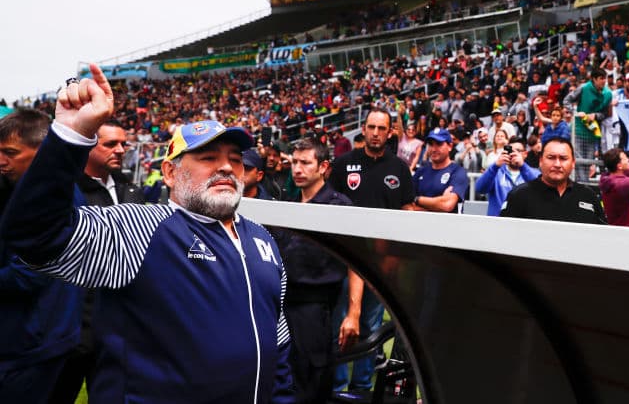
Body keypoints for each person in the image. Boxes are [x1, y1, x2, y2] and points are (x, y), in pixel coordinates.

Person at [0, 67, 295, 403]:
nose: (226, 167)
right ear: (169, 172)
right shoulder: (141, 227)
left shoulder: (262, 241)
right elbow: (35, 234)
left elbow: (277, 340)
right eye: (208, 157)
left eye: (235, 159)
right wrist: (70, 135)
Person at [50, 119, 147, 404]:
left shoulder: (132, 191)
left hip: (120, 328)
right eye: (110, 144)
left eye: (123, 144)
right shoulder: (68, 192)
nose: (119, 150)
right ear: (89, 146)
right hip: (72, 326)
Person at [327, 108, 414, 399]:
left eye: (382, 128)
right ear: (363, 130)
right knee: (341, 322)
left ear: (390, 133)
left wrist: (396, 257)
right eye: (371, 127)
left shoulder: (400, 169)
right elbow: (327, 208)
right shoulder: (342, 165)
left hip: (379, 262)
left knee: (371, 325)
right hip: (343, 259)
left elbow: (407, 213)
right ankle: (338, 388)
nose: (376, 133)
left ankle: (362, 388)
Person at [1, 109, 82, 403]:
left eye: (10, 152)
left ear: (43, 152)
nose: (1, 161)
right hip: (35, 336)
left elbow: (30, 272)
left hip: (32, 342)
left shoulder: (54, 198)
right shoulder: (26, 190)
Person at [275, 138, 358, 404]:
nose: (297, 169)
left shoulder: (339, 207)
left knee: (312, 383)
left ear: (323, 167)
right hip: (280, 307)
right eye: (294, 163)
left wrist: (353, 313)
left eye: (305, 163)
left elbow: (356, 263)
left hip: (316, 309)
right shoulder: (287, 206)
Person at [500, 137, 607, 224]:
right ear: (541, 161)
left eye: (563, 158)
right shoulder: (519, 196)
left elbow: (602, 237)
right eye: (551, 157)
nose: (557, 164)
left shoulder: (588, 196)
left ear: (573, 163)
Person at [474, 137, 540, 216]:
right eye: (511, 151)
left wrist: (522, 166)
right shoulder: (495, 172)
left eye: (518, 151)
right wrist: (495, 166)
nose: (513, 154)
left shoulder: (533, 172)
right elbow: (480, 189)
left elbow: (540, 189)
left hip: (524, 223)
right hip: (497, 223)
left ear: (525, 154)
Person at [411, 128, 470, 213]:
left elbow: (447, 205)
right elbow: (407, 205)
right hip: (421, 224)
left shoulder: (458, 172)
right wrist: (436, 205)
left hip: (448, 225)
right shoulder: (421, 172)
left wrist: (417, 199)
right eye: (431, 144)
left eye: (439, 144)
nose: (434, 149)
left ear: (450, 146)